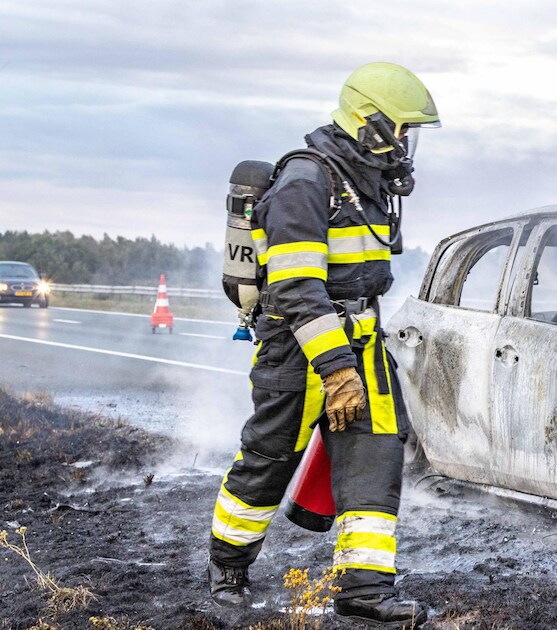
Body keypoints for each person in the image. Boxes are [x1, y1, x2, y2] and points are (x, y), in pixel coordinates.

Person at [207, 62, 438, 626]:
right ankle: (227, 572)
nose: (406, 144)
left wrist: (355, 361)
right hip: (300, 348)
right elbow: (296, 288)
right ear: (371, 123)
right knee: (267, 461)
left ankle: (363, 592)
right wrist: (336, 371)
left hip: (362, 341)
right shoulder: (306, 181)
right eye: (402, 130)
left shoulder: (366, 184)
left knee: (376, 459)